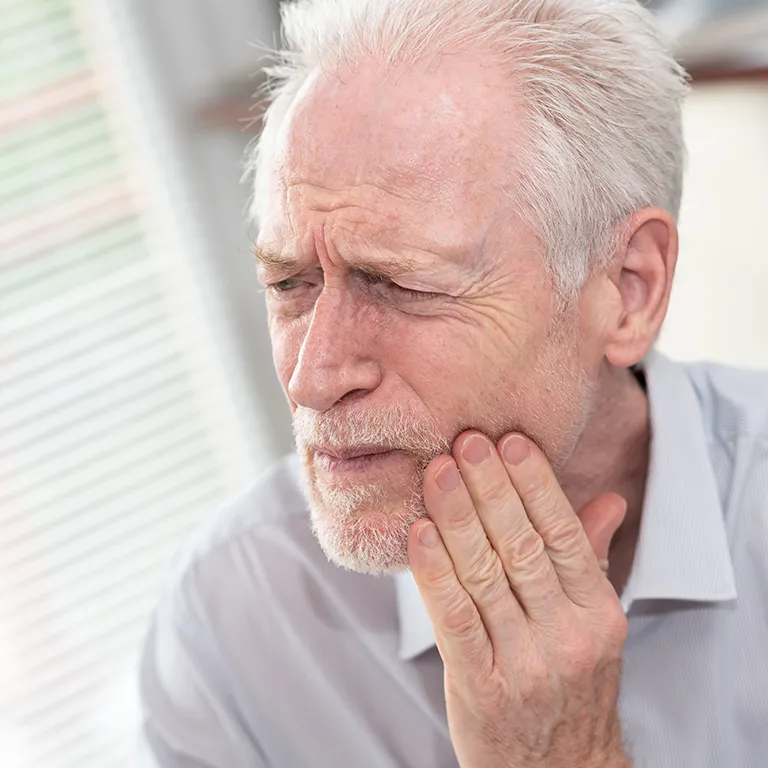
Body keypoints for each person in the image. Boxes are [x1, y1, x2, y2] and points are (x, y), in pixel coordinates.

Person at [137, 1, 768, 766]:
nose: (312, 378)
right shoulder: (230, 622)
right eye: (290, 284)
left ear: (628, 289)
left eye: (400, 286)